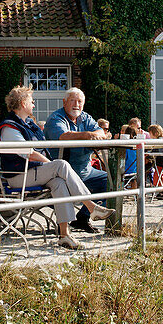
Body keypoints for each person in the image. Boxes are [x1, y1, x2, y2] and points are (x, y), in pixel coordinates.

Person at [0, 86, 114, 250]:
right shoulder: (9, 127)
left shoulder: (29, 124)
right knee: (61, 165)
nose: (34, 105)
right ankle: (91, 207)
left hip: (35, 171)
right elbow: (28, 153)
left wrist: (49, 165)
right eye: (32, 101)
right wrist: (50, 163)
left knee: (59, 182)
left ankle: (64, 235)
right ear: (23, 103)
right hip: (19, 176)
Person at [43, 88, 111, 232]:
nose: (76, 105)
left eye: (80, 101)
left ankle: (82, 218)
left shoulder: (85, 117)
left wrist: (95, 134)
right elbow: (63, 136)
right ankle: (69, 224)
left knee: (111, 181)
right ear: (64, 102)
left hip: (86, 171)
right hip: (62, 174)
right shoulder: (56, 118)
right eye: (73, 100)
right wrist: (87, 135)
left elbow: (100, 131)